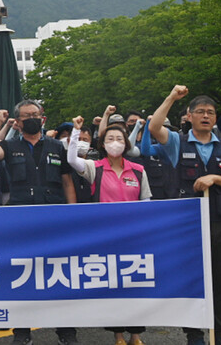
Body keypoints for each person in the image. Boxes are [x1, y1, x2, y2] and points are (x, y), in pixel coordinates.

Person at [0, 100, 77, 345]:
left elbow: (67, 182)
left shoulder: (58, 146)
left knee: (59, 274)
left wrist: (73, 214)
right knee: (22, 274)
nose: (32, 118)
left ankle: (67, 332)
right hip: (21, 218)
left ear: (42, 117)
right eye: (27, 116)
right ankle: (22, 332)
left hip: (54, 216)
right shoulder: (10, 145)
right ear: (19, 121)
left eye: (36, 114)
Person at [148, 86, 221, 345]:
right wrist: (170, 97)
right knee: (190, 278)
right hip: (188, 223)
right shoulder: (177, 142)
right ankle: (194, 335)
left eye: (211, 113)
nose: (206, 116)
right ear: (189, 116)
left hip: (220, 223)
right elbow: (155, 128)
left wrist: (215, 178)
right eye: (200, 111)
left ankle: (220, 333)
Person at [66, 117, 149, 345]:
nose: (115, 142)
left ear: (126, 143)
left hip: (134, 237)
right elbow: (71, 159)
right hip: (107, 237)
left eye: (119, 138)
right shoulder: (95, 168)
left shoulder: (139, 170)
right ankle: (118, 334)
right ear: (102, 144)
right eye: (110, 138)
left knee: (135, 284)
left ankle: (136, 334)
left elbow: (147, 203)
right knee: (114, 285)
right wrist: (76, 131)